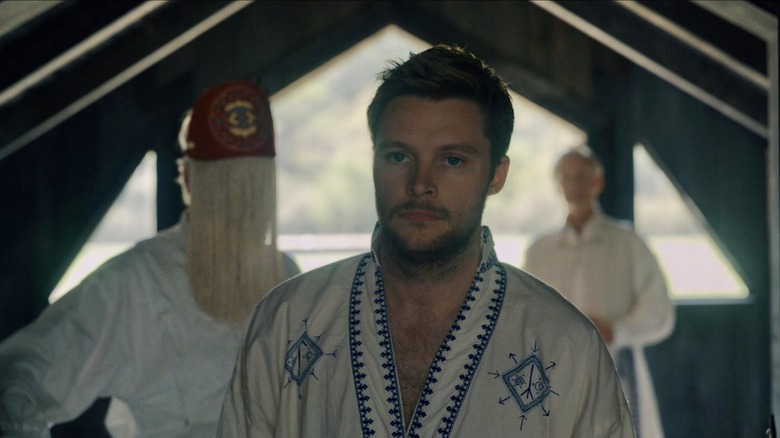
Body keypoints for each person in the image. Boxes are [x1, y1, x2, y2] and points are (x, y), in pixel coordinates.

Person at [217, 45, 634, 437]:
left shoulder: (564, 345)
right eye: (398, 156)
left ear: (496, 175)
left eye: (452, 160)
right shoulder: (286, 322)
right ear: (374, 160)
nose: (420, 184)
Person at [0, 80, 300, 437]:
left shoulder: (286, 277)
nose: (238, 203)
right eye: (225, 184)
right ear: (188, 178)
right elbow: (18, 379)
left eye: (252, 185)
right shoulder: (136, 282)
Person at [523, 145, 675, 438]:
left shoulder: (628, 243)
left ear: (597, 182)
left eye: (581, 176)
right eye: (566, 177)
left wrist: (615, 330)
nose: (574, 185)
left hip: (617, 371)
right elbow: (524, 314)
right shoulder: (539, 251)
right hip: (555, 376)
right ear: (558, 185)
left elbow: (659, 312)